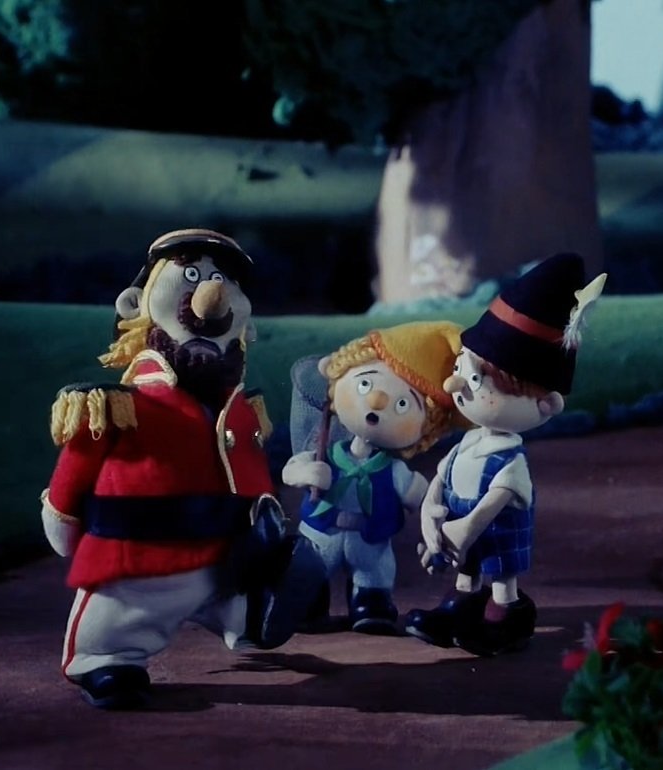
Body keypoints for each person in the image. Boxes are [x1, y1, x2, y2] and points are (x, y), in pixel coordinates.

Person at [40, 228, 325, 710]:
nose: (212, 292)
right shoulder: (116, 405)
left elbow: (249, 473)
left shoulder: (240, 409)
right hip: (140, 557)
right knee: (118, 624)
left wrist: (269, 535)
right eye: (190, 275)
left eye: (223, 280)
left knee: (238, 592)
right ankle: (107, 659)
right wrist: (63, 519)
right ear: (136, 304)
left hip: (223, 556)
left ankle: (246, 616)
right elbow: (77, 468)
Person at [406, 252, 606, 655]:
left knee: (501, 581)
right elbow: (440, 481)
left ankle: (505, 620)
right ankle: (459, 611)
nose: (454, 384)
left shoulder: (510, 460)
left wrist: (463, 530)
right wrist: (431, 516)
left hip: (492, 535)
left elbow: (495, 501)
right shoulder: (467, 444)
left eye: (478, 379)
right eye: (461, 368)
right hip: (460, 532)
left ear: (546, 405)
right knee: (467, 575)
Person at [282, 321, 463, 633]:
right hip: (322, 533)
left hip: (371, 540)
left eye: (403, 403)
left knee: (374, 573)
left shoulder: (394, 470)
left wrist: (431, 509)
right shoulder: (325, 454)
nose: (377, 401)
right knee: (311, 573)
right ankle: (309, 604)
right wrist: (305, 472)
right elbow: (291, 470)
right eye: (364, 384)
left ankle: (370, 601)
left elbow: (420, 497)